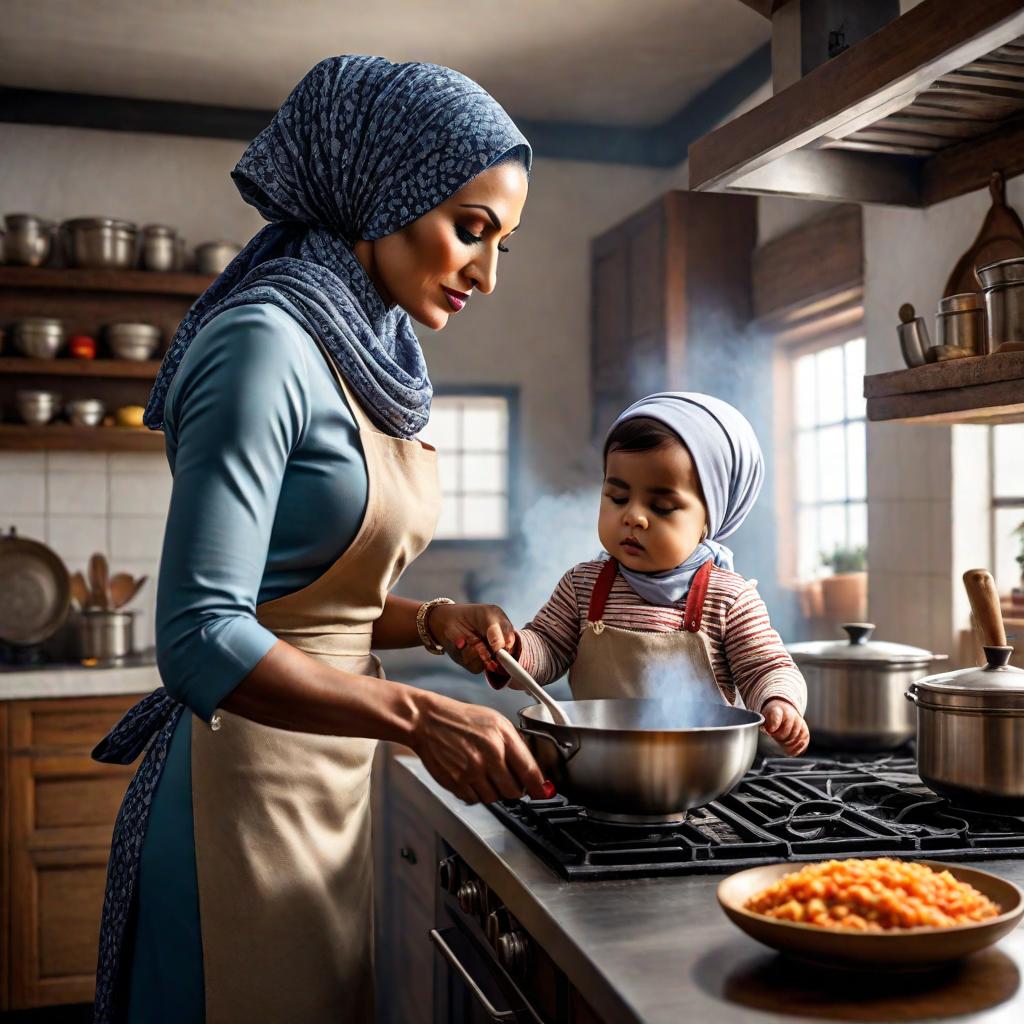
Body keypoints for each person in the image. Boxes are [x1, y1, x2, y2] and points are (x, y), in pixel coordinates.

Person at [91, 55, 546, 1024]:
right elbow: (201, 634)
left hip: (334, 781)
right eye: (470, 230)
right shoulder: (264, 343)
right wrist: (422, 717)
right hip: (240, 794)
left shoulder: (371, 346)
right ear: (384, 189)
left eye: (503, 241)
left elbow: (306, 597)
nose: (489, 273)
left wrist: (435, 620)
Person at [445, 392, 810, 756]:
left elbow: (765, 666)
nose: (633, 516)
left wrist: (780, 703)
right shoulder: (583, 585)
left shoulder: (729, 598)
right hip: (599, 760)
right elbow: (549, 648)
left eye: (662, 506)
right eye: (617, 498)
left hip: (697, 765)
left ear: (708, 522)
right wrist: (514, 649)